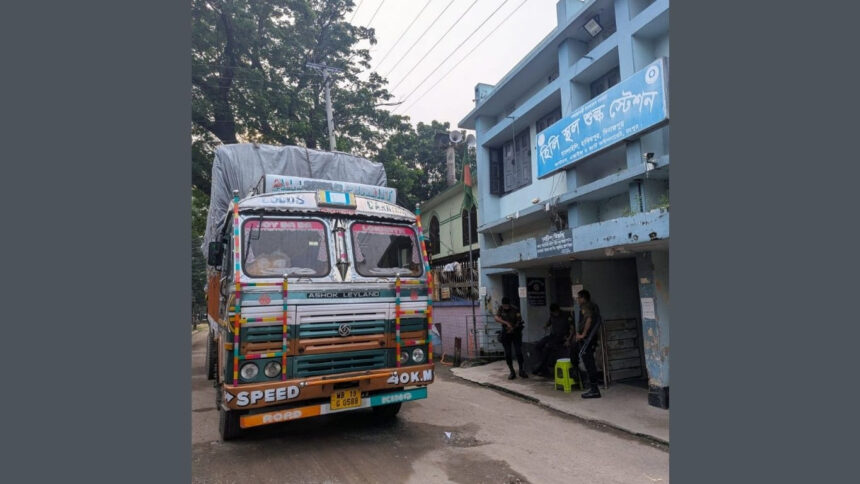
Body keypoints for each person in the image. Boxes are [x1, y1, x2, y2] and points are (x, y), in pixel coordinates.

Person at [566, 289, 603, 398]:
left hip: (587, 339)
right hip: (589, 338)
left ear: (583, 298)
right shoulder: (593, 306)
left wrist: (583, 335)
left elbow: (589, 319)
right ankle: (590, 385)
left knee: (589, 363)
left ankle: (594, 389)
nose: (577, 300)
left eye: (578, 298)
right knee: (585, 360)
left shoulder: (587, 306)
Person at [531, 303, 574, 377]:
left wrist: (568, 340)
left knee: (547, 346)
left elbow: (572, 329)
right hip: (553, 336)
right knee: (538, 345)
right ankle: (542, 367)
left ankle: (540, 367)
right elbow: (549, 322)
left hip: (562, 337)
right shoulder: (552, 315)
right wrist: (546, 325)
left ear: (558, 310)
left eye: (555, 312)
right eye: (553, 313)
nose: (554, 314)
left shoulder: (566, 315)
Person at [494, 297, 527, 380]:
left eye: (506, 305)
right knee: (508, 353)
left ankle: (521, 370)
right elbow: (496, 318)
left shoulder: (515, 309)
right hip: (506, 333)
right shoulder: (501, 308)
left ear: (509, 304)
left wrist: (513, 328)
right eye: (504, 305)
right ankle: (512, 371)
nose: (505, 307)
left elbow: (519, 320)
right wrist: (506, 323)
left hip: (516, 332)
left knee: (518, 352)